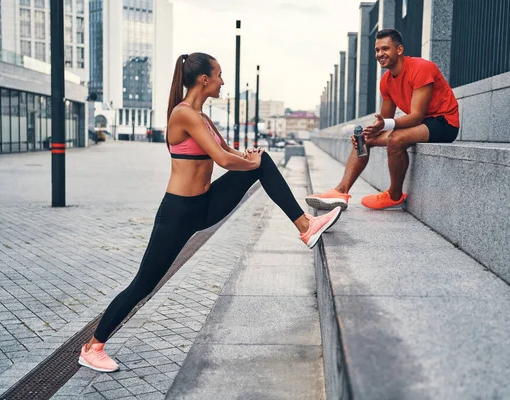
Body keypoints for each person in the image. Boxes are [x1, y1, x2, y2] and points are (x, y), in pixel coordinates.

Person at [78, 53, 342, 372]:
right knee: (143, 285)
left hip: (204, 205)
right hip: (178, 213)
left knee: (263, 161)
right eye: (219, 75)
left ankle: (305, 225)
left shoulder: (203, 116)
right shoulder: (184, 113)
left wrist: (250, 157)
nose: (222, 81)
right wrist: (250, 163)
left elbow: (230, 152)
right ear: (204, 79)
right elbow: (221, 159)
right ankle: (93, 347)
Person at [306, 28, 459, 211]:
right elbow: (385, 119)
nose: (380, 54)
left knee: (396, 139)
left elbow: (417, 115)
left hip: (444, 122)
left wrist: (384, 125)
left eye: (385, 49)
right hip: (421, 124)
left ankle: (394, 196)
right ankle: (341, 191)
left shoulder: (421, 68)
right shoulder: (386, 81)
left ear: (399, 50)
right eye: (377, 50)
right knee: (364, 139)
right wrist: (368, 132)